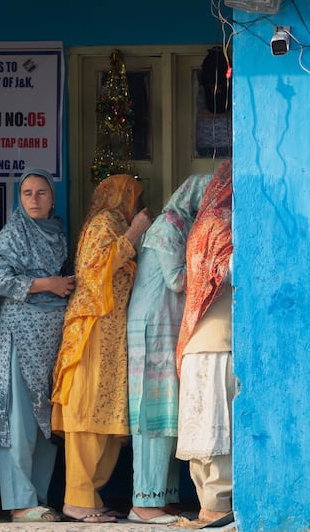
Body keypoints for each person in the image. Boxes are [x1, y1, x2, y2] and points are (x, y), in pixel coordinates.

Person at [51, 173, 152, 523]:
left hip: (109, 335)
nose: (137, 205)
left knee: (105, 416)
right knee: (87, 412)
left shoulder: (113, 224)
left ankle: (89, 495)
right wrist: (135, 232)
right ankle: (77, 498)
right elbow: (96, 273)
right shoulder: (103, 223)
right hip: (92, 330)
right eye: (133, 197)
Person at [0, 169, 74, 523]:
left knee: (46, 422)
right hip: (20, 337)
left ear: (52, 198)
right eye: (27, 194)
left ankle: (38, 497)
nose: (34, 200)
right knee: (18, 420)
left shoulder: (58, 234)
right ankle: (20, 502)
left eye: (41, 193)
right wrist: (46, 283)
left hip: (51, 341)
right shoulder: (13, 233)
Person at [125, 174, 213, 525]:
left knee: (169, 415)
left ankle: (165, 497)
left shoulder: (187, 225)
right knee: (151, 415)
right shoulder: (168, 225)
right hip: (152, 328)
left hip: (168, 327)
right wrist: (214, 263)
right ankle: (143, 502)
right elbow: (176, 278)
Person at [175, 160, 234, 528]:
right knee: (220, 426)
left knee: (202, 427)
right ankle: (218, 505)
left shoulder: (200, 226)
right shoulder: (224, 225)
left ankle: (206, 506)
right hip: (220, 340)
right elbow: (233, 272)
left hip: (195, 340)